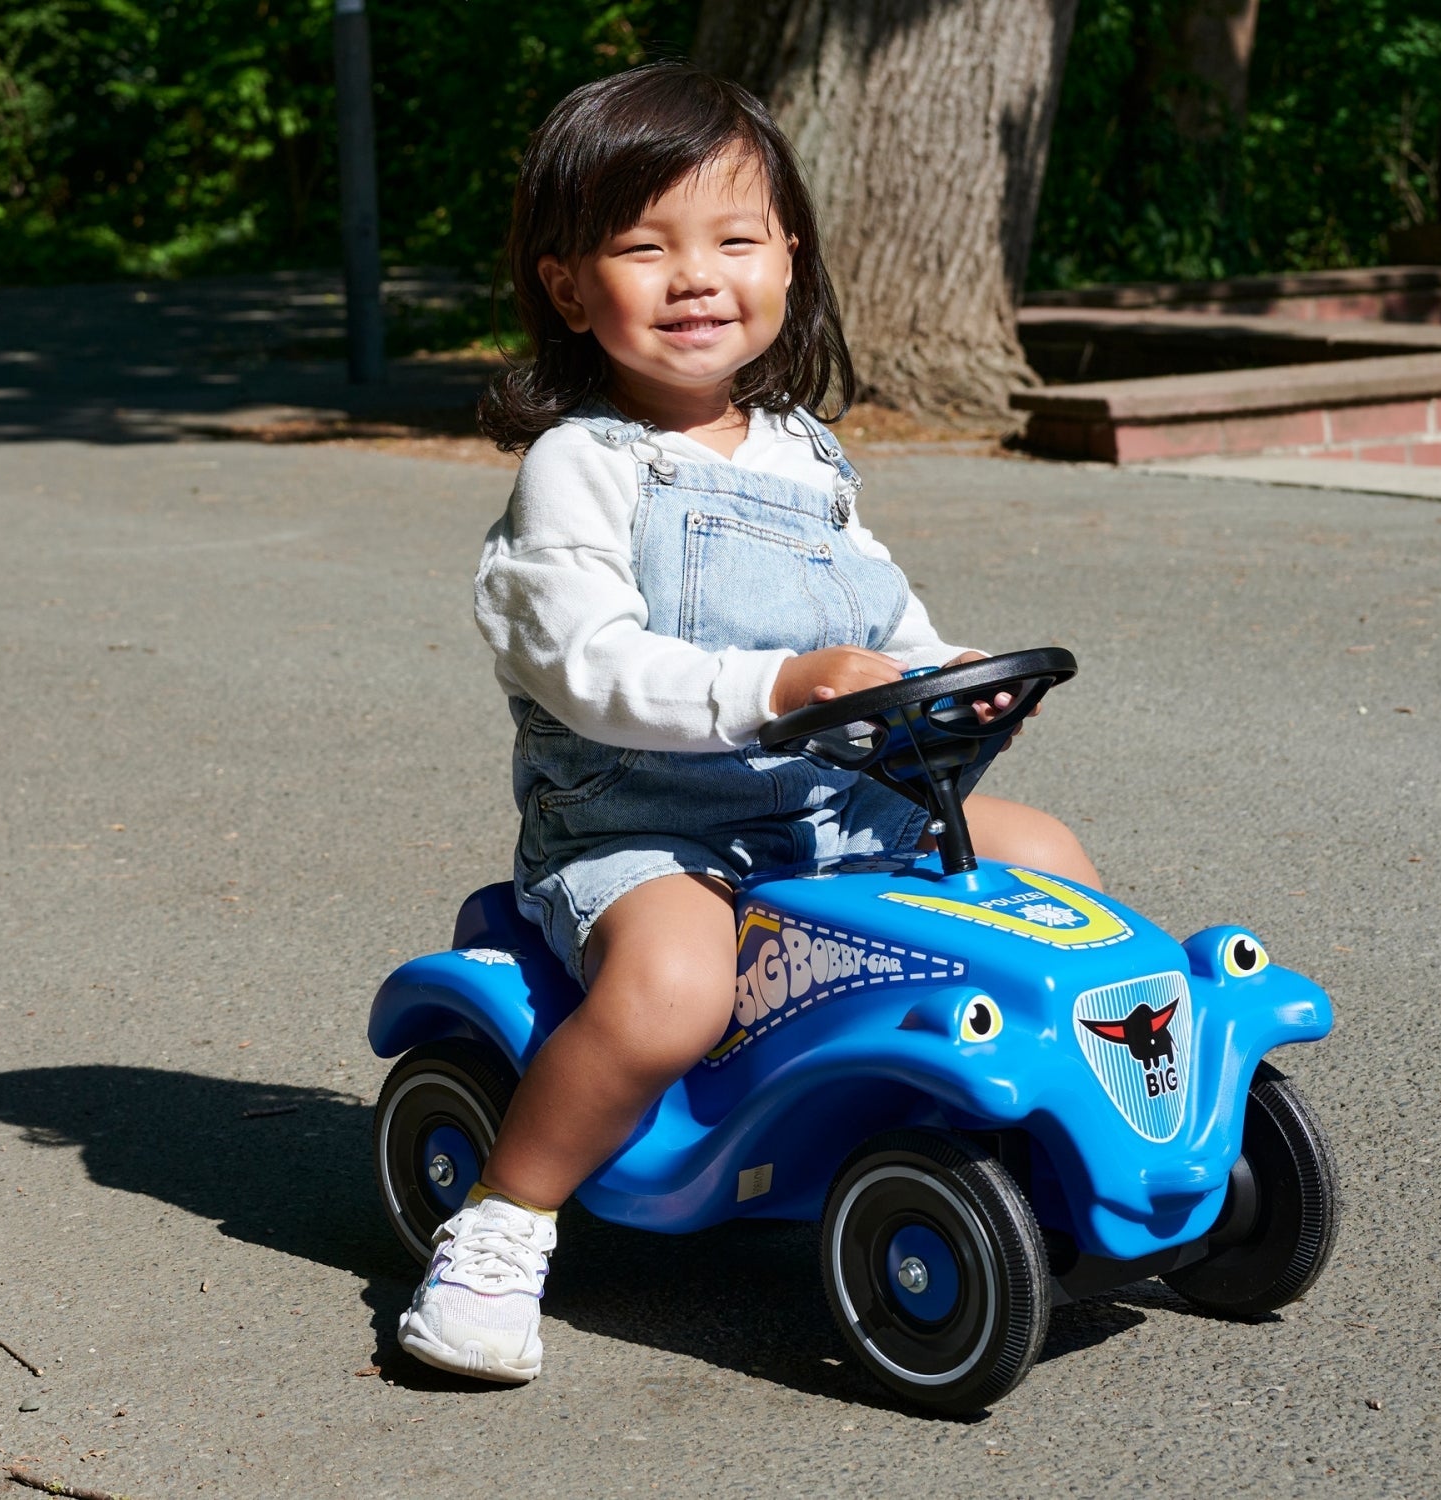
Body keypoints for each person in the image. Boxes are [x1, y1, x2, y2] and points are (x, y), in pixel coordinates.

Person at [396, 62, 1100, 1384]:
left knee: (1045, 861)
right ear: (568, 287)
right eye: (644, 247)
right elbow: (587, 666)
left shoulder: (803, 452)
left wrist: (947, 677)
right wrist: (774, 689)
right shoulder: (580, 468)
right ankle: (503, 1223)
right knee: (675, 989)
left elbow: (881, 620)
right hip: (652, 829)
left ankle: (1034, 1139)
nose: (695, 278)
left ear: (789, 259)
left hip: (835, 811)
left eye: (734, 240)